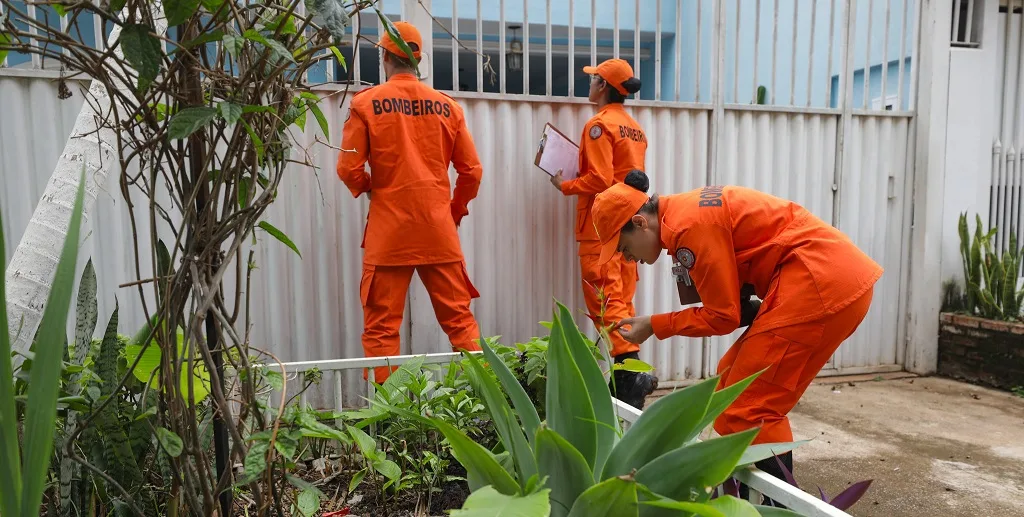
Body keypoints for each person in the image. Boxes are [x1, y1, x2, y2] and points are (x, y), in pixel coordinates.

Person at [593, 170, 882, 505]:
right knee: (730, 385)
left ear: (641, 223)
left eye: (623, 247)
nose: (627, 258)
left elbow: (723, 315)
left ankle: (782, 506)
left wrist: (653, 325)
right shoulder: (684, 214)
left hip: (819, 281)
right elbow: (736, 304)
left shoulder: (689, 227)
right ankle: (750, 496)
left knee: (748, 404)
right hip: (826, 278)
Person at [336, 21, 483, 383]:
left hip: (389, 235)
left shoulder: (365, 104)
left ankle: (389, 422)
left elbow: (347, 168)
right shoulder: (448, 107)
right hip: (438, 231)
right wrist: (453, 211)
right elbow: (472, 173)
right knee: (460, 323)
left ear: (384, 56)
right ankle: (484, 407)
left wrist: (371, 186)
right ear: (419, 60)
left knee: (382, 330)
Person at [548, 58, 657, 409]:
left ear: (603, 87)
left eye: (594, 79)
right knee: (621, 298)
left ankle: (628, 376)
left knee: (604, 300)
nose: (590, 83)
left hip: (602, 227)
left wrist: (564, 184)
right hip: (629, 226)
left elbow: (597, 179)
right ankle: (628, 374)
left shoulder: (598, 125)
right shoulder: (635, 129)